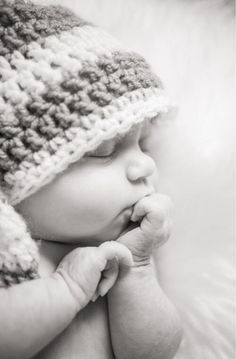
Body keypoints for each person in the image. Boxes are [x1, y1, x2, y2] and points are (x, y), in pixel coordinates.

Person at [0, 1, 182, 358]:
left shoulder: (118, 252)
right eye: (103, 151)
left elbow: (153, 353)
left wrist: (139, 268)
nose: (145, 165)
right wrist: (66, 289)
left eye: (141, 144)